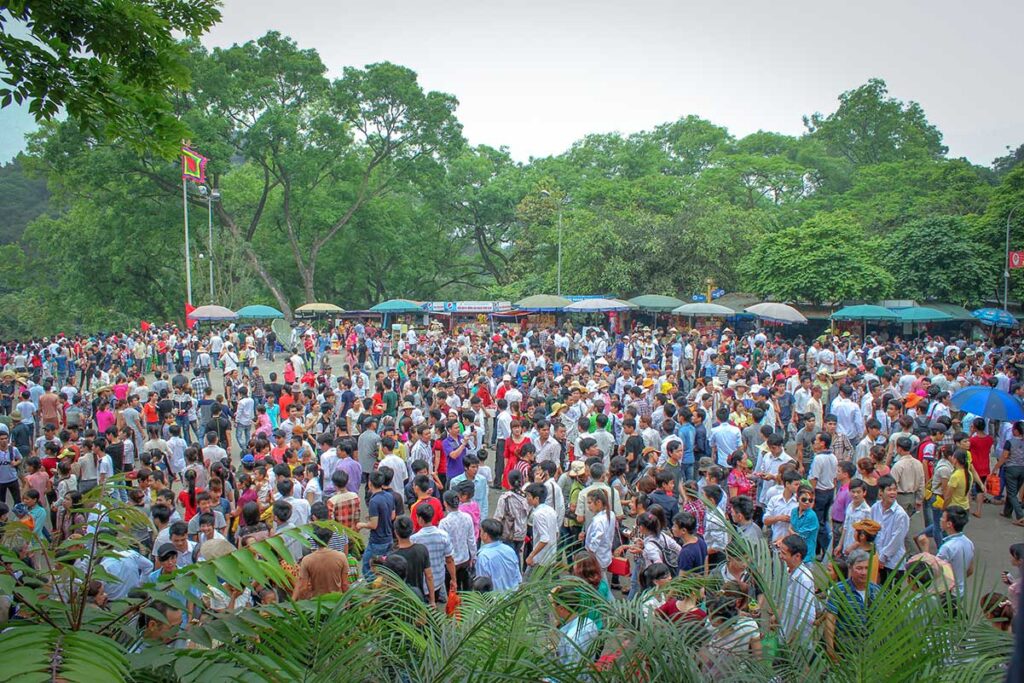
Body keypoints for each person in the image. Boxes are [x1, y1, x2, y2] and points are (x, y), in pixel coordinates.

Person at [824, 548, 881, 661]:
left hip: (867, 649)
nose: (863, 572)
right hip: (843, 647)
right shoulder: (839, 590)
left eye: (866, 568)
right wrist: (831, 650)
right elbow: (830, 622)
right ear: (850, 568)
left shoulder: (876, 591)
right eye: (859, 568)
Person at [410, 503, 457, 604]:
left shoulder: (414, 539)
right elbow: (449, 560)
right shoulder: (443, 535)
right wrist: (453, 579)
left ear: (420, 519)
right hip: (439, 578)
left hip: (422, 582)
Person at [291, 525, 350, 600]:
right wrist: (346, 602)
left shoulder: (307, 560)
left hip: (317, 603)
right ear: (330, 538)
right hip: (336, 601)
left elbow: (303, 587)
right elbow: (344, 584)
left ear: (314, 538)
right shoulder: (341, 557)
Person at [777, 534, 816, 645]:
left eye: (784, 553)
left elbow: (808, 616)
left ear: (797, 556)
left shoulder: (804, 579)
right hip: (785, 632)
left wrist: (794, 636)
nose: (780, 556)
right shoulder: (788, 571)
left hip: (796, 642)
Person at [872, 474, 910, 583]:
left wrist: (883, 558)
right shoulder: (875, 508)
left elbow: (896, 540)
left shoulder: (900, 514)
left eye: (894, 490)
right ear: (880, 492)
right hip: (877, 558)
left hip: (893, 563)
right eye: (889, 490)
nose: (892, 493)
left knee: (892, 596)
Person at [357, 470, 395, 579]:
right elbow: (392, 516)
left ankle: (374, 589)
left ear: (370, 483)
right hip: (389, 537)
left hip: (378, 540)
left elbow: (374, 525)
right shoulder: (389, 496)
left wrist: (362, 525)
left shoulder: (374, 501)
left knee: (367, 566)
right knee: (385, 566)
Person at [935, 505, 974, 596]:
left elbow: (936, 572)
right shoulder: (969, 542)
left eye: (943, 518)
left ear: (949, 524)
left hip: (947, 593)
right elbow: (970, 570)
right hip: (960, 591)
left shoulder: (947, 547)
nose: (940, 519)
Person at [475, 518, 522, 591]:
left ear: (485, 535)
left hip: (496, 599)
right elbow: (518, 577)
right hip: (513, 595)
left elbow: (483, 585)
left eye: (481, 531)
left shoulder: (483, 556)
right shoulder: (509, 550)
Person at [524, 482, 559, 571]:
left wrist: (531, 555)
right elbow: (556, 532)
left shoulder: (537, 514)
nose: (527, 498)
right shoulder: (551, 510)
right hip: (550, 555)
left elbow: (544, 539)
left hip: (540, 558)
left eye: (528, 496)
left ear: (536, 499)